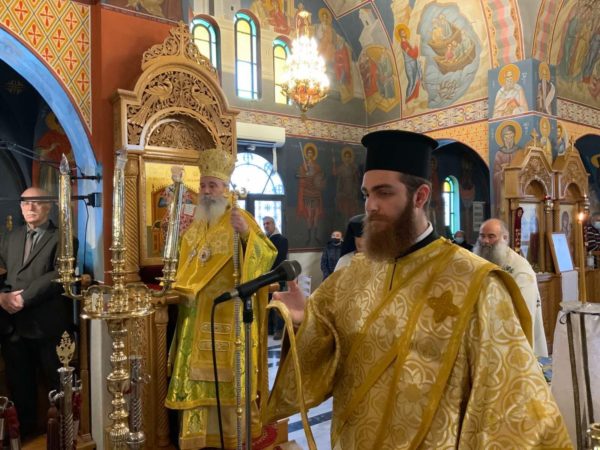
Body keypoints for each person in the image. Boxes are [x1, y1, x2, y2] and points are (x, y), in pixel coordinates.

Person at [266, 130, 570, 448]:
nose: (370, 205)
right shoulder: (353, 274)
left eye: (384, 193)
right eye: (366, 193)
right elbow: (330, 348)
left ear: (420, 196)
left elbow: (511, 401)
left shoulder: (476, 282)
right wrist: (304, 320)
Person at [165, 148, 277, 449]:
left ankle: (230, 436)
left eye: (212, 185)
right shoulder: (198, 224)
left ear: (226, 188)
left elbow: (267, 255)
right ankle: (198, 439)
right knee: (197, 379)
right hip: (196, 314)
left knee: (226, 377)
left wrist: (246, 236)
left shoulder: (240, 218)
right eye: (203, 185)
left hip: (228, 314)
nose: (206, 191)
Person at [0, 187, 74, 439]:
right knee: (20, 386)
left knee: (57, 385)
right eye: (25, 202)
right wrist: (2, 297)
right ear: (20, 207)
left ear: (49, 206)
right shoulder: (11, 237)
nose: (30, 207)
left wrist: (23, 298)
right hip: (13, 327)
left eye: (37, 202)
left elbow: (58, 275)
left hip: (47, 327)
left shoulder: (64, 237)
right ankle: (26, 436)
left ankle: (63, 436)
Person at [473, 218, 548, 358]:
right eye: (482, 236)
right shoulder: (478, 263)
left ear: (505, 238)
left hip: (511, 338)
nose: (485, 241)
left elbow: (523, 311)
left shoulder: (520, 270)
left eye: (491, 236)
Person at [263, 216, 288, 340]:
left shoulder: (282, 240)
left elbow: (280, 259)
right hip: (266, 276)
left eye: (268, 223)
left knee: (278, 302)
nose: (266, 226)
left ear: (273, 224)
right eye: (264, 224)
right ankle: (269, 328)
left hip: (278, 275)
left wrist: (269, 270)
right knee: (267, 301)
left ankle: (279, 329)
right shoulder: (265, 239)